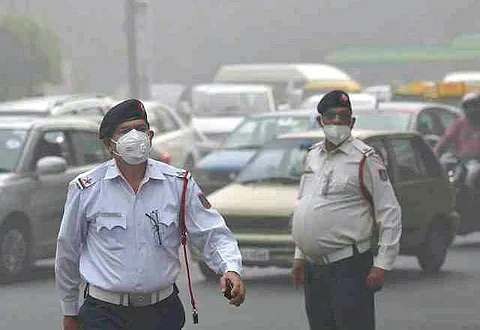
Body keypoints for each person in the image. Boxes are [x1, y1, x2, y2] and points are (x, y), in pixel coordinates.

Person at [55, 99, 246, 330]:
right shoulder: (86, 188)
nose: (135, 137)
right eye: (125, 131)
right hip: (104, 313)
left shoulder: (178, 183)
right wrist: (69, 309)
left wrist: (230, 269)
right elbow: (68, 250)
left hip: (162, 312)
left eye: (141, 129)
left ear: (151, 136)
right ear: (109, 144)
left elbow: (212, 233)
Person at [291, 90, 402, 330]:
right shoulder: (312, 156)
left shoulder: (365, 158)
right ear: (320, 121)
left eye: (344, 116)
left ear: (352, 122)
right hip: (314, 267)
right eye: (331, 116)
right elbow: (304, 204)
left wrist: (382, 263)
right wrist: (300, 256)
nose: (338, 122)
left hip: (349, 267)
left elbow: (390, 212)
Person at [434, 92, 480, 160]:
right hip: (463, 164)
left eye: (475, 106)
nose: (472, 110)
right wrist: (433, 158)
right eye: (468, 107)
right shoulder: (458, 124)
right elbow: (444, 142)